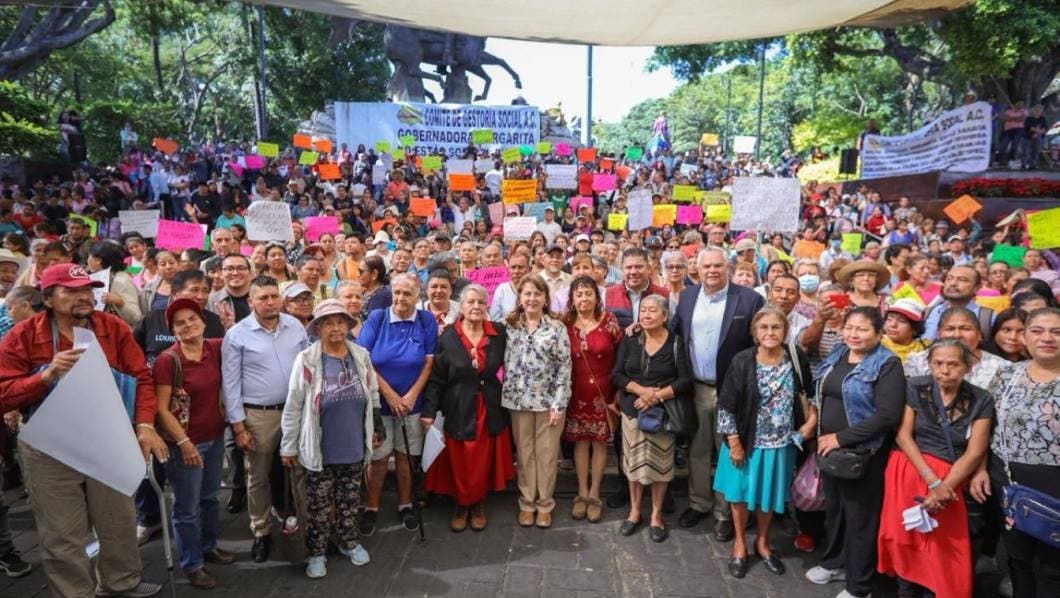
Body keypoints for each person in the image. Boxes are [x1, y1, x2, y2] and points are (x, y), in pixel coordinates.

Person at [0, 263, 167, 598]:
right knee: (62, 533)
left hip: (108, 437)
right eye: (71, 291)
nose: (83, 297)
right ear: (47, 298)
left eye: (87, 290)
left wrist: (145, 424)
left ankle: (121, 583)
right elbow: (4, 392)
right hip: (50, 448)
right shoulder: (23, 335)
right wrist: (44, 377)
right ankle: (74, 593)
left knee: (118, 520)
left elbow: (141, 377)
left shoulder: (112, 327)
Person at [877, 339, 993, 598]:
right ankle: (905, 590)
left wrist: (945, 487)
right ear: (929, 364)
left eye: (953, 364)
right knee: (905, 537)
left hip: (952, 478)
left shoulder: (981, 399)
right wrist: (932, 481)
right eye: (938, 363)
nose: (945, 370)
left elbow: (974, 451)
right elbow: (904, 436)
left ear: (968, 367)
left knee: (943, 546)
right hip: (909, 470)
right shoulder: (916, 387)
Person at [805, 307, 904, 598]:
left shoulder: (887, 364)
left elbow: (887, 415)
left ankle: (860, 585)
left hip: (863, 454)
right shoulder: (838, 353)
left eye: (862, 329)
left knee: (860, 518)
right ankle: (833, 563)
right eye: (850, 327)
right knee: (834, 510)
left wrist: (842, 438)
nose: (854, 334)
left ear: (878, 333)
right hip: (830, 450)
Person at [281, 299, 382, 578]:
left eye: (340, 322)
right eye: (328, 323)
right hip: (320, 448)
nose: (336, 328)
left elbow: (372, 391)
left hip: (352, 444)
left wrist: (377, 421)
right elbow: (294, 405)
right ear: (318, 328)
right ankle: (316, 551)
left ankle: (349, 541)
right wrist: (288, 446)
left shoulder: (360, 354)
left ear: (348, 326)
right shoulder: (307, 359)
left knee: (350, 499)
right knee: (318, 506)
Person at [670, 247, 764, 540]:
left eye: (718, 266)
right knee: (698, 449)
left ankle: (725, 512)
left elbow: (757, 346)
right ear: (696, 269)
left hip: (731, 392)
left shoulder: (749, 299)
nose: (712, 271)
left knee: (729, 452)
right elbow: (675, 334)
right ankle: (699, 503)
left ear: (728, 268)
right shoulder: (686, 297)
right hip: (696, 388)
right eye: (706, 266)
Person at [715, 307, 816, 577]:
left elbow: (811, 395)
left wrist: (809, 425)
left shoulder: (795, 359)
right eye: (764, 327)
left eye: (776, 327)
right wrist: (734, 443)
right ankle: (739, 544)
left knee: (768, 496)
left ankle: (762, 542)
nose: (770, 332)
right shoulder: (742, 361)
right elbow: (725, 406)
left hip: (781, 443)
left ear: (785, 331)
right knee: (738, 495)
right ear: (755, 332)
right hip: (745, 442)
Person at [221, 275, 309, 563]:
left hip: (294, 411)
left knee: (300, 471)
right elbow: (230, 384)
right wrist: (238, 426)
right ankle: (261, 531)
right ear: (251, 301)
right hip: (258, 415)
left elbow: (307, 367)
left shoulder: (295, 325)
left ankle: (303, 527)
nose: (270, 302)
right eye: (263, 298)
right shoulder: (236, 334)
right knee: (257, 476)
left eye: (274, 296)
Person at [153, 298, 234, 590]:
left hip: (214, 437)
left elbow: (237, 337)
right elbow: (162, 409)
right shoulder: (168, 360)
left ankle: (209, 545)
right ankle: (192, 564)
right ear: (172, 330)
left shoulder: (213, 347)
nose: (188, 325)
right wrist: (184, 443)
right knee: (186, 507)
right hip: (185, 443)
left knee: (211, 498)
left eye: (192, 319)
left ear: (202, 321)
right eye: (180, 322)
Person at [421, 284, 515, 532]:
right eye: (470, 302)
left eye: (480, 303)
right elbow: (437, 377)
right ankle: (462, 504)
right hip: (458, 405)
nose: (475, 307)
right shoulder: (448, 336)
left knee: (482, 459)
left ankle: (478, 504)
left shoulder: (499, 333)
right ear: (460, 306)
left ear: (487, 307)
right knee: (462, 458)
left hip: (489, 406)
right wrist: (429, 411)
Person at [981, 307, 1060, 597]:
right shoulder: (1007, 374)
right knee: (1019, 559)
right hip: (1009, 481)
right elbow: (985, 427)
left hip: (1055, 485)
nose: (1047, 338)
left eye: (1056, 331)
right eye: (1037, 331)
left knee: (1052, 567)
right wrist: (980, 470)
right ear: (1025, 337)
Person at [356, 273, 437, 535]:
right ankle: (371, 507)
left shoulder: (426, 320)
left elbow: (428, 362)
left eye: (407, 294)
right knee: (378, 459)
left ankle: (405, 504)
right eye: (397, 293)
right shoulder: (378, 318)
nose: (401, 298)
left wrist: (412, 395)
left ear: (418, 296)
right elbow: (365, 360)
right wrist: (390, 395)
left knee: (405, 458)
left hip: (412, 405)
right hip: (381, 404)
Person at [611, 294, 692, 542]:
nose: (646, 315)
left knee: (660, 466)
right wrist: (642, 391)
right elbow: (617, 375)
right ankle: (635, 511)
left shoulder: (676, 343)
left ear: (665, 316)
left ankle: (656, 514)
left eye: (652, 311)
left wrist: (656, 396)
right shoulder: (631, 341)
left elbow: (685, 380)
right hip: (633, 410)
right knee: (633, 465)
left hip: (663, 413)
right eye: (643, 311)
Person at [503, 275, 572, 528]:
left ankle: (545, 504)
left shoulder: (556, 328)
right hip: (518, 402)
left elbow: (564, 368)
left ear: (545, 298)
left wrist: (558, 404)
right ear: (520, 298)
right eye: (527, 293)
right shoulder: (509, 325)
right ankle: (527, 503)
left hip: (548, 403)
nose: (532, 298)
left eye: (537, 294)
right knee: (524, 455)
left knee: (546, 455)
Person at [563, 276, 623, 523]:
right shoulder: (565, 323)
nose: (584, 298)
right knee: (580, 442)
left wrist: (619, 390)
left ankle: (595, 494)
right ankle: (581, 492)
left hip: (604, 391)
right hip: (576, 392)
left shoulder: (609, 321)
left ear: (597, 297)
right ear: (572, 299)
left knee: (599, 442)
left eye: (589, 293)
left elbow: (622, 355)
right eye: (579, 294)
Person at [906, 307, 1010, 397]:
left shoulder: (1002, 367)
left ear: (979, 335)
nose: (957, 335)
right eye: (950, 328)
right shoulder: (917, 362)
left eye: (965, 329)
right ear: (938, 334)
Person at [923, 265, 995, 341]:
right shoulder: (929, 313)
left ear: (977, 288)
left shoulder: (988, 318)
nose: (953, 283)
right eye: (949, 279)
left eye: (962, 280)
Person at [85, 240, 143, 327]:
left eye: (90, 256)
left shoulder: (121, 281)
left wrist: (120, 303)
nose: (87, 260)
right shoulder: (93, 278)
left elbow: (137, 318)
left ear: (98, 260)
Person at [880, 298, 929, 363]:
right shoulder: (875, 345)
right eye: (889, 319)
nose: (893, 325)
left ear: (915, 328)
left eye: (902, 321)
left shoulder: (925, 350)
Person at [489, 251, 531, 320]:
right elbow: (494, 319)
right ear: (508, 269)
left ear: (529, 269)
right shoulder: (502, 289)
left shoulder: (536, 288)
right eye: (513, 267)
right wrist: (509, 319)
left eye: (520, 267)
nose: (516, 271)